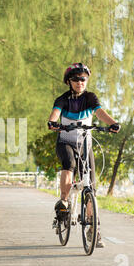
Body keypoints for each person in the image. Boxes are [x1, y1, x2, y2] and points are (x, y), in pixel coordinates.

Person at [47, 63, 120, 248]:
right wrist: (53, 122)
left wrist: (113, 123)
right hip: (66, 142)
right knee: (69, 164)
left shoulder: (90, 97)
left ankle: (93, 229)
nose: (80, 82)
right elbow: (55, 113)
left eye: (83, 79)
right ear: (69, 82)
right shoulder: (63, 99)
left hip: (85, 144)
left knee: (91, 187)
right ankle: (64, 202)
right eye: (76, 79)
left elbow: (100, 113)